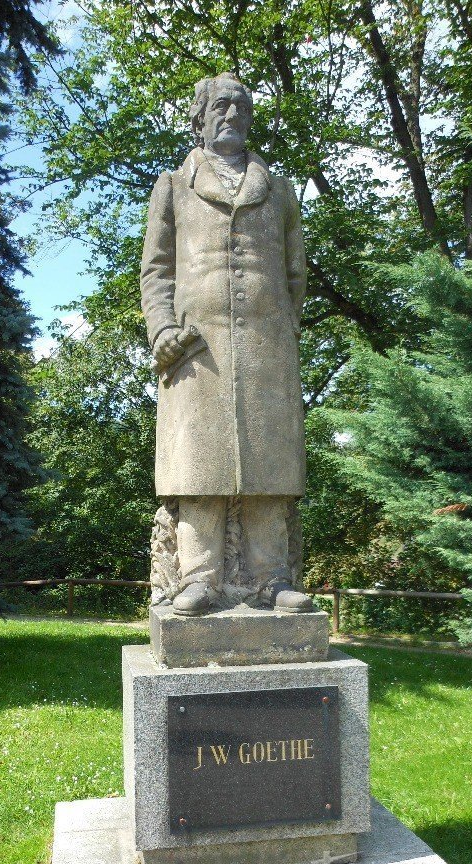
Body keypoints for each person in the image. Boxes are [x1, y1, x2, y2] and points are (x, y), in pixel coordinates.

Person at [141, 72, 314, 617]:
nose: (231, 114)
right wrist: (163, 328)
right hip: (197, 350)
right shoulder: (172, 186)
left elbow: (295, 272)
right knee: (198, 466)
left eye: (241, 105)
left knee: (269, 466)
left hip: (266, 345)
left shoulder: (279, 190)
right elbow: (155, 271)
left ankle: (272, 578)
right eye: (220, 105)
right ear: (199, 118)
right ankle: (198, 579)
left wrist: (285, 325)